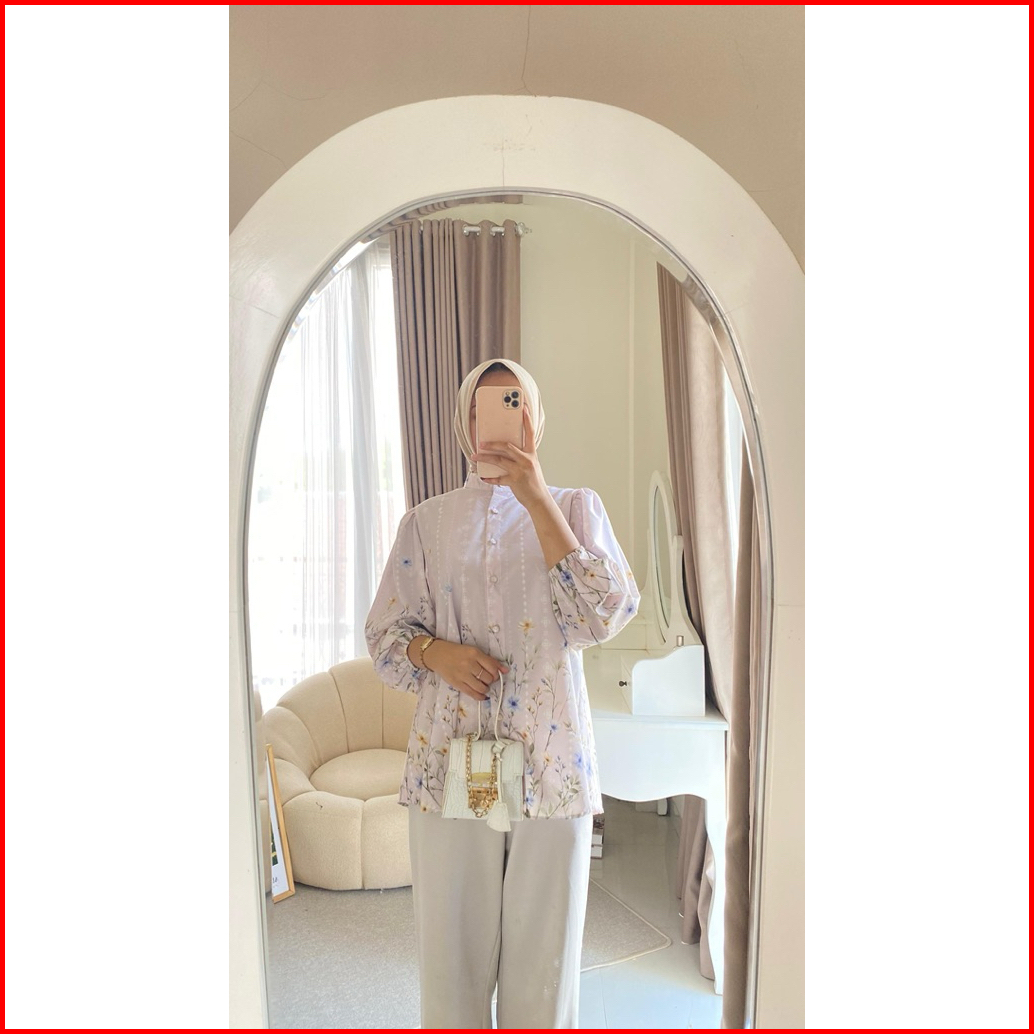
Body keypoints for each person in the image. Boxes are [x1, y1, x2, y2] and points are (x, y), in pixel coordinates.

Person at [365, 358, 640, 1029]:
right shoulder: (427, 523)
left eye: (512, 404)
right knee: (449, 967)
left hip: (552, 763)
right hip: (449, 759)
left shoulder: (575, 508)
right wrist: (437, 653)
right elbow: (385, 636)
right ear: (464, 423)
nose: (494, 422)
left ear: (534, 418)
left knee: (545, 972)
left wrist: (536, 495)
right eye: (480, 408)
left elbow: (604, 614)